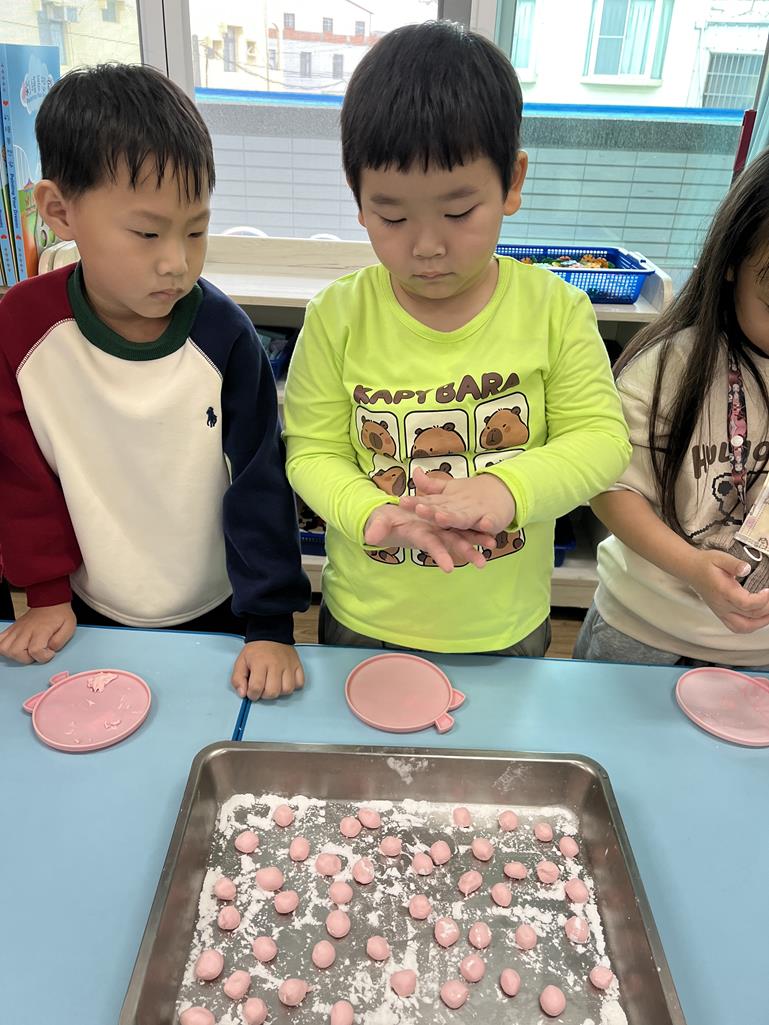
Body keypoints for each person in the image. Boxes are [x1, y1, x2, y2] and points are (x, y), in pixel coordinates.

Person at [283, 21, 630, 655]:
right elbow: (311, 452)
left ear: (513, 182)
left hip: (504, 624)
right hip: (366, 616)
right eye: (391, 216)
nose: (427, 246)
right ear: (358, 198)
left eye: (458, 212)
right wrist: (369, 512)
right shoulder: (337, 316)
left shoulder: (554, 310)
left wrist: (508, 489)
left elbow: (602, 441)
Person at [0, 64, 310, 699]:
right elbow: (20, 476)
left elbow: (259, 484)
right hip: (83, 607)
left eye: (196, 230)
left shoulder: (225, 336)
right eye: (147, 233)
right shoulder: (21, 328)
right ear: (60, 211)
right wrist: (45, 592)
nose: (177, 262)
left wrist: (270, 624)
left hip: (221, 609)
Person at [574, 148, 769, 669]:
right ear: (732, 262)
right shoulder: (669, 367)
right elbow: (610, 488)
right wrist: (690, 566)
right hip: (644, 628)